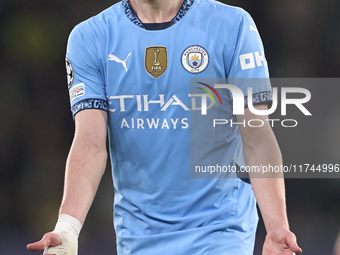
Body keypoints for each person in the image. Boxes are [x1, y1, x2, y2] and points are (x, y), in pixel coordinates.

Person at [27, 0, 302, 254]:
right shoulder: (91, 36)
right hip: (138, 236)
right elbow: (90, 142)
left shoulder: (233, 25)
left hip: (221, 229)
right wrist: (67, 227)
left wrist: (277, 226)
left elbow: (256, 134)